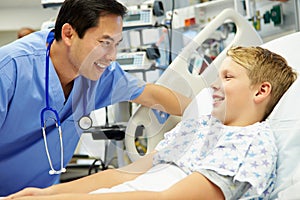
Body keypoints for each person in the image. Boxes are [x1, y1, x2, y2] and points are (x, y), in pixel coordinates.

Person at [5, 46, 297, 200]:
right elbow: (125, 176)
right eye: (217, 77)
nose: (214, 86)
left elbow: (170, 198)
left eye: (228, 78)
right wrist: (49, 193)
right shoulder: (199, 129)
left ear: (261, 91)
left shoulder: (248, 144)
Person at [0, 0, 191, 196]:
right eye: (105, 43)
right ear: (68, 34)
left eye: (116, 44)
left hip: (41, 193)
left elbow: (151, 94)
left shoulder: (101, 74)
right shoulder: (9, 69)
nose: (112, 56)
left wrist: (207, 112)